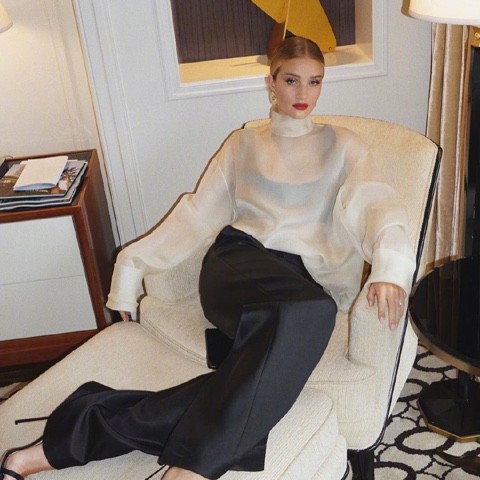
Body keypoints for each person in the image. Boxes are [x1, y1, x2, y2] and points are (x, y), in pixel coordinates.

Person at [0, 36, 415, 480]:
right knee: (315, 313)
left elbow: (380, 205)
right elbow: (196, 215)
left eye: (315, 82)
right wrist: (131, 266)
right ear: (271, 82)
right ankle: (190, 470)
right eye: (291, 80)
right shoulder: (244, 144)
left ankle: (67, 439)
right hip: (238, 262)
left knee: (302, 325)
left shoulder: (344, 145)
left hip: (300, 284)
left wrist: (390, 267)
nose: (303, 93)